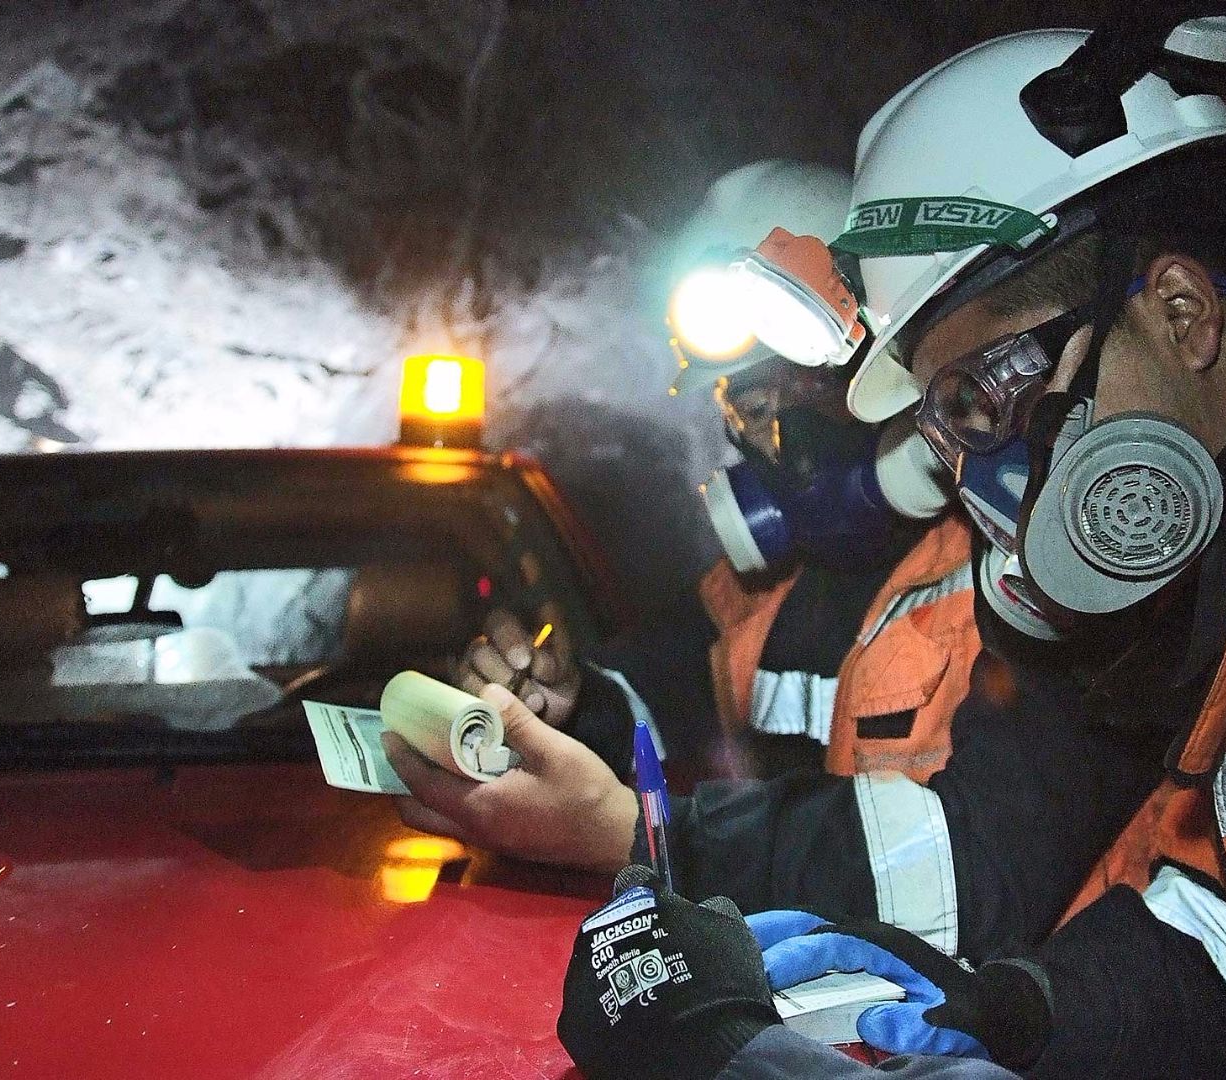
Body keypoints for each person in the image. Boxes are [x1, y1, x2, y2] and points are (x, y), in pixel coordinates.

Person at [553, 19, 1226, 1080]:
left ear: (1180, 314)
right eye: (946, 427)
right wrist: (1019, 1014)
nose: (982, 478)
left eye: (985, 395)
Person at [385, 159, 1168, 958]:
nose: (779, 437)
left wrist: (643, 836)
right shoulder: (753, 594)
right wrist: (565, 705)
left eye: (805, 387)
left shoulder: (1025, 577)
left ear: (892, 373)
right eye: (749, 402)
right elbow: (655, 694)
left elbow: (975, 869)